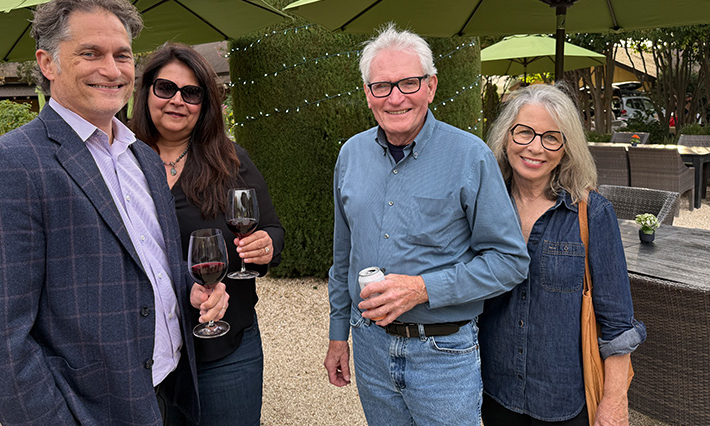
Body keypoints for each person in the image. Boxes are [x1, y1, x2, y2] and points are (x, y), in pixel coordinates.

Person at [0, 0, 228, 426]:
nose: (112, 69)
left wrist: (189, 287)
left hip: (169, 388)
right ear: (48, 63)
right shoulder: (8, 165)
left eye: (122, 55)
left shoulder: (141, 154)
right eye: (90, 53)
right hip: (91, 408)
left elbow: (148, 260)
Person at [325, 24, 530, 426]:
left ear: (431, 86)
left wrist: (421, 289)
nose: (396, 97)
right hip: (369, 346)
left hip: (443, 353)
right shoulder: (351, 155)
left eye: (409, 83)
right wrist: (338, 334)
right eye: (381, 86)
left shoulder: (470, 157)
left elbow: (510, 261)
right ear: (368, 94)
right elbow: (342, 255)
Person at [130, 43, 284, 426]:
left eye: (192, 92)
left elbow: (273, 230)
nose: (178, 100)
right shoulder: (122, 161)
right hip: (145, 350)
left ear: (205, 103)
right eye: (165, 88)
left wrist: (266, 246)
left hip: (225, 348)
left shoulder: (230, 160)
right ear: (146, 91)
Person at [481, 84, 646, 425]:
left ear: (566, 147)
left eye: (551, 137)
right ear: (506, 137)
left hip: (563, 402)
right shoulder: (483, 206)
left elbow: (617, 323)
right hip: (492, 392)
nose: (535, 147)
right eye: (524, 132)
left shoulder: (591, 214)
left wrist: (614, 402)